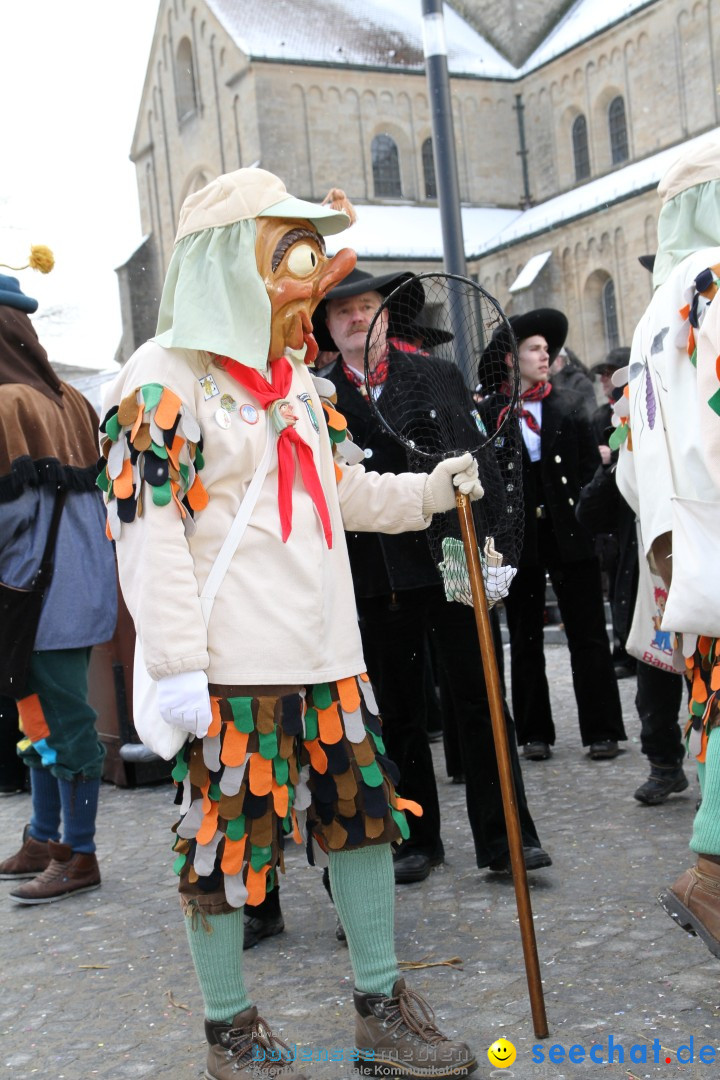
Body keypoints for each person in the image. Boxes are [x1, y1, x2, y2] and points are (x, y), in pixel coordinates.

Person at [99, 168, 481, 1079]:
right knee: (226, 847)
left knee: (362, 822)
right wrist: (179, 665)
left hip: (329, 656)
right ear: (232, 261)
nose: (307, 281)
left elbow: (341, 492)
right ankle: (231, 1032)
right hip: (232, 668)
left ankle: (382, 1010)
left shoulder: (299, 385)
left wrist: (430, 492)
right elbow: (148, 531)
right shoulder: (161, 378)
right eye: (289, 252)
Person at [312, 266, 550, 883]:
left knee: (480, 700)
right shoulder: (319, 397)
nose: (356, 317)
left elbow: (480, 471)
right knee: (397, 711)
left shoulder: (436, 376)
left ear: (388, 316)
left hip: (450, 562)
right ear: (328, 328)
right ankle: (416, 840)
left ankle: (507, 840)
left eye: (367, 307)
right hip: (376, 576)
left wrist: (492, 555)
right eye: (342, 312)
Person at [615, 138, 720, 955]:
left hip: (680, 542)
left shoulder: (655, 312)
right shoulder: (716, 285)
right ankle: (712, 874)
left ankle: (711, 874)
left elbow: (625, 463)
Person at [0, 273, 117, 903]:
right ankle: (45, 835)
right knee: (40, 717)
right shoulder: (71, 396)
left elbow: (9, 516)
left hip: (36, 592)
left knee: (62, 723)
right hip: (74, 586)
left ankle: (81, 854)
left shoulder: (7, 404)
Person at [478, 308, 627, 761]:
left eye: (548, 350)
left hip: (570, 535)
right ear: (511, 358)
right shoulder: (490, 414)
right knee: (524, 637)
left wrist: (590, 525)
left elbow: (586, 471)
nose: (547, 357)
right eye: (535, 349)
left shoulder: (567, 407)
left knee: (587, 634)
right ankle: (533, 733)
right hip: (519, 540)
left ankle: (602, 730)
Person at [587, 346, 637, 678]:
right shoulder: (597, 417)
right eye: (603, 375)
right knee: (618, 582)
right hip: (611, 513)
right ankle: (623, 646)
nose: (605, 380)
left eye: (610, 373)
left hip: (632, 510)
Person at [549, 345, 597, 420]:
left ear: (558, 360)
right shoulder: (551, 383)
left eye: (549, 359)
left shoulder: (581, 382)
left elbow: (590, 417)